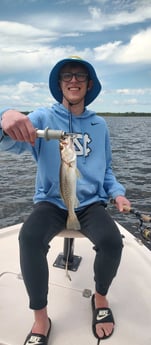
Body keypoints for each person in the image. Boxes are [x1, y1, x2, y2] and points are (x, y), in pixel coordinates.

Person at [0, 56, 131, 344]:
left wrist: (117, 192)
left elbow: (106, 169)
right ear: (59, 84)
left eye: (80, 76)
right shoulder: (42, 118)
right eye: (67, 76)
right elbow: (6, 138)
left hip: (90, 204)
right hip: (51, 201)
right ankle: (40, 318)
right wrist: (5, 115)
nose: (73, 80)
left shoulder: (99, 125)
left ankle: (99, 299)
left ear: (89, 85)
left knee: (111, 241)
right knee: (29, 239)